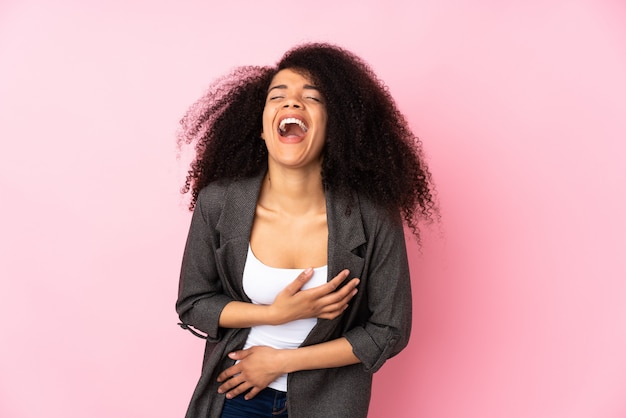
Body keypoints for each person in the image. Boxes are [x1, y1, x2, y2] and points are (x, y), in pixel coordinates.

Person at [176, 43, 437, 418]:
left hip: (328, 402)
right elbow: (193, 303)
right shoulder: (218, 204)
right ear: (261, 128)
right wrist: (274, 314)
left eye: (311, 98)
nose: (292, 104)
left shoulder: (373, 215)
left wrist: (281, 362)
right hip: (235, 393)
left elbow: (389, 329)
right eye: (277, 96)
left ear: (334, 130)